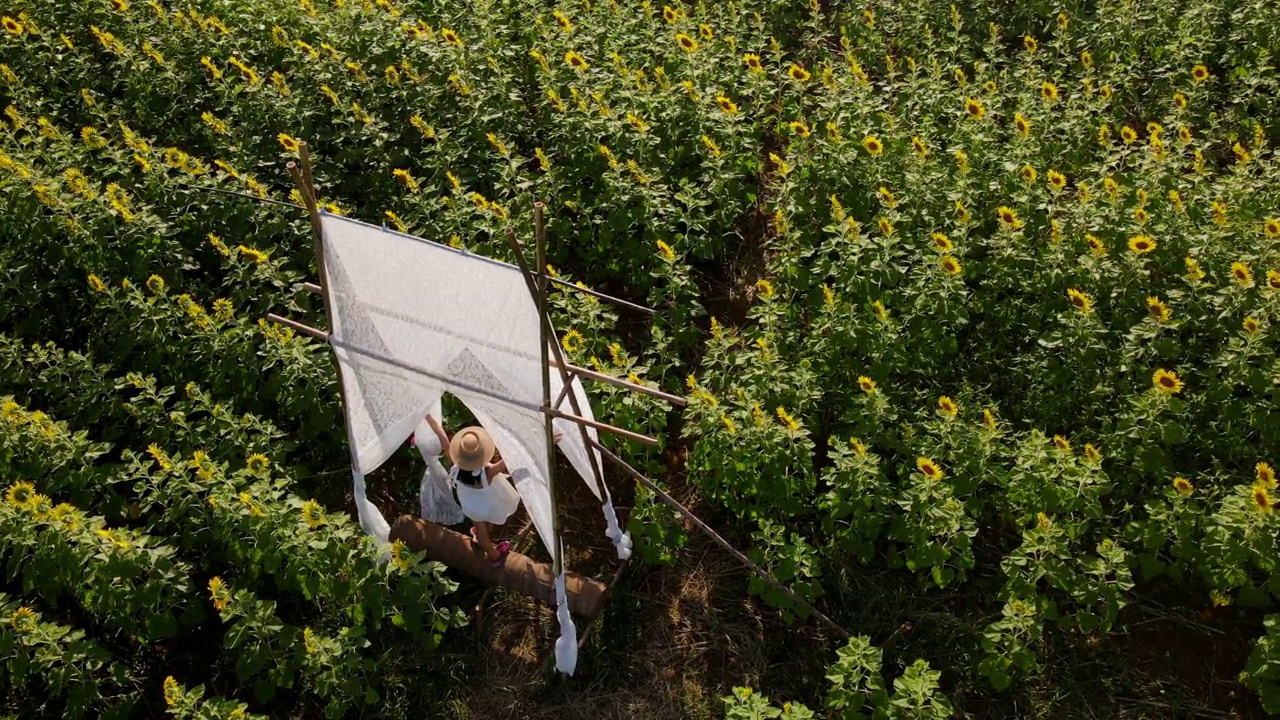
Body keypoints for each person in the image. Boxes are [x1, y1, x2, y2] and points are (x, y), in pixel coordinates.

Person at [423, 415, 520, 567]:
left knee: (480, 529)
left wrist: (428, 417)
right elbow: (509, 461)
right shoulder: (487, 473)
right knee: (485, 528)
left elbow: (442, 436)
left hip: (470, 505)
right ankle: (494, 555)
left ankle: (489, 550)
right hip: (486, 503)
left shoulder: (455, 466)